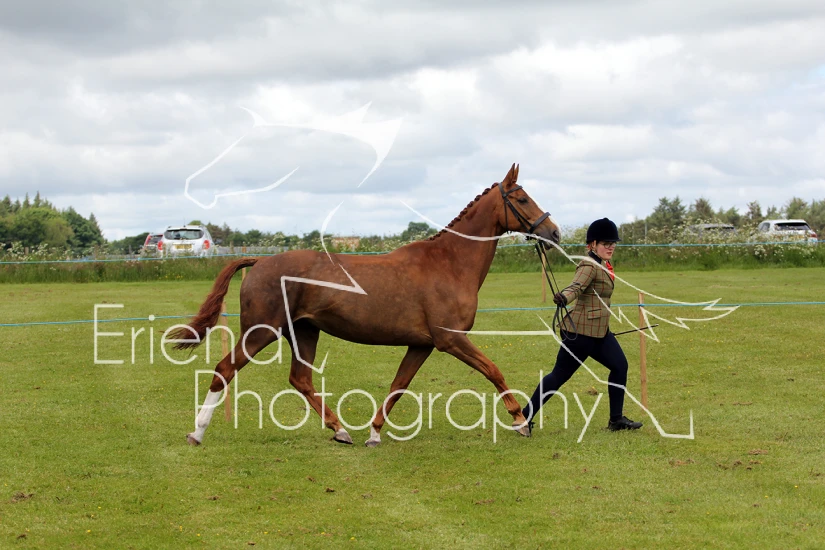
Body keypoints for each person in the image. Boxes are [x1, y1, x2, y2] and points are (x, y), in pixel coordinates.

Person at [523, 218, 643, 434]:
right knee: (559, 376)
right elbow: (576, 287)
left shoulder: (603, 264)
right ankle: (524, 417)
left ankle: (616, 420)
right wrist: (564, 297)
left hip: (599, 332)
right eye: (606, 243)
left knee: (620, 366)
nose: (611, 247)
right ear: (593, 244)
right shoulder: (589, 265)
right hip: (579, 334)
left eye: (613, 243)